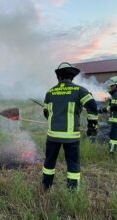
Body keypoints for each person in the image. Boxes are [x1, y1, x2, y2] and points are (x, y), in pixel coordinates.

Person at [42, 62, 98, 190]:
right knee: (73, 164)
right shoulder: (80, 91)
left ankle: (46, 187)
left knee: (49, 163)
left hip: (53, 137)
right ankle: (72, 191)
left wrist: (54, 118)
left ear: (59, 77)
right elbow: (93, 108)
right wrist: (92, 126)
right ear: (72, 77)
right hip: (71, 137)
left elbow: (46, 112)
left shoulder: (50, 92)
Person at [98, 76, 117, 153]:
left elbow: (114, 106)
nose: (111, 87)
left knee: (113, 135)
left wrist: (103, 110)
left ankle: (112, 151)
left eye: (112, 86)